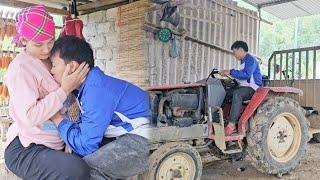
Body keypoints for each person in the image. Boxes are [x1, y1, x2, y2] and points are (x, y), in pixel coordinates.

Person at [4, 5, 90, 180]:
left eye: (50, 41)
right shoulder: (20, 69)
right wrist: (64, 89)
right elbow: (31, 116)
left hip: (59, 140)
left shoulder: (54, 58)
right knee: (76, 170)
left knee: (100, 151)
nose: (45, 49)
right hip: (27, 147)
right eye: (38, 44)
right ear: (24, 40)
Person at [49, 35, 150, 179]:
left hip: (143, 137)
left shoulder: (96, 90)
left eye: (54, 65)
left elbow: (86, 145)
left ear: (71, 67)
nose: (51, 71)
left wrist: (57, 118)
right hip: (122, 133)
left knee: (85, 171)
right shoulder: (86, 86)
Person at [219, 41, 262, 135]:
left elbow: (246, 75)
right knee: (224, 92)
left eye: (234, 52)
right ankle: (219, 118)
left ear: (241, 50)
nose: (234, 55)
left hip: (253, 88)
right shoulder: (243, 61)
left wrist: (230, 72)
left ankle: (232, 124)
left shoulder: (250, 59)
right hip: (245, 86)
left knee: (237, 94)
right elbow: (242, 77)